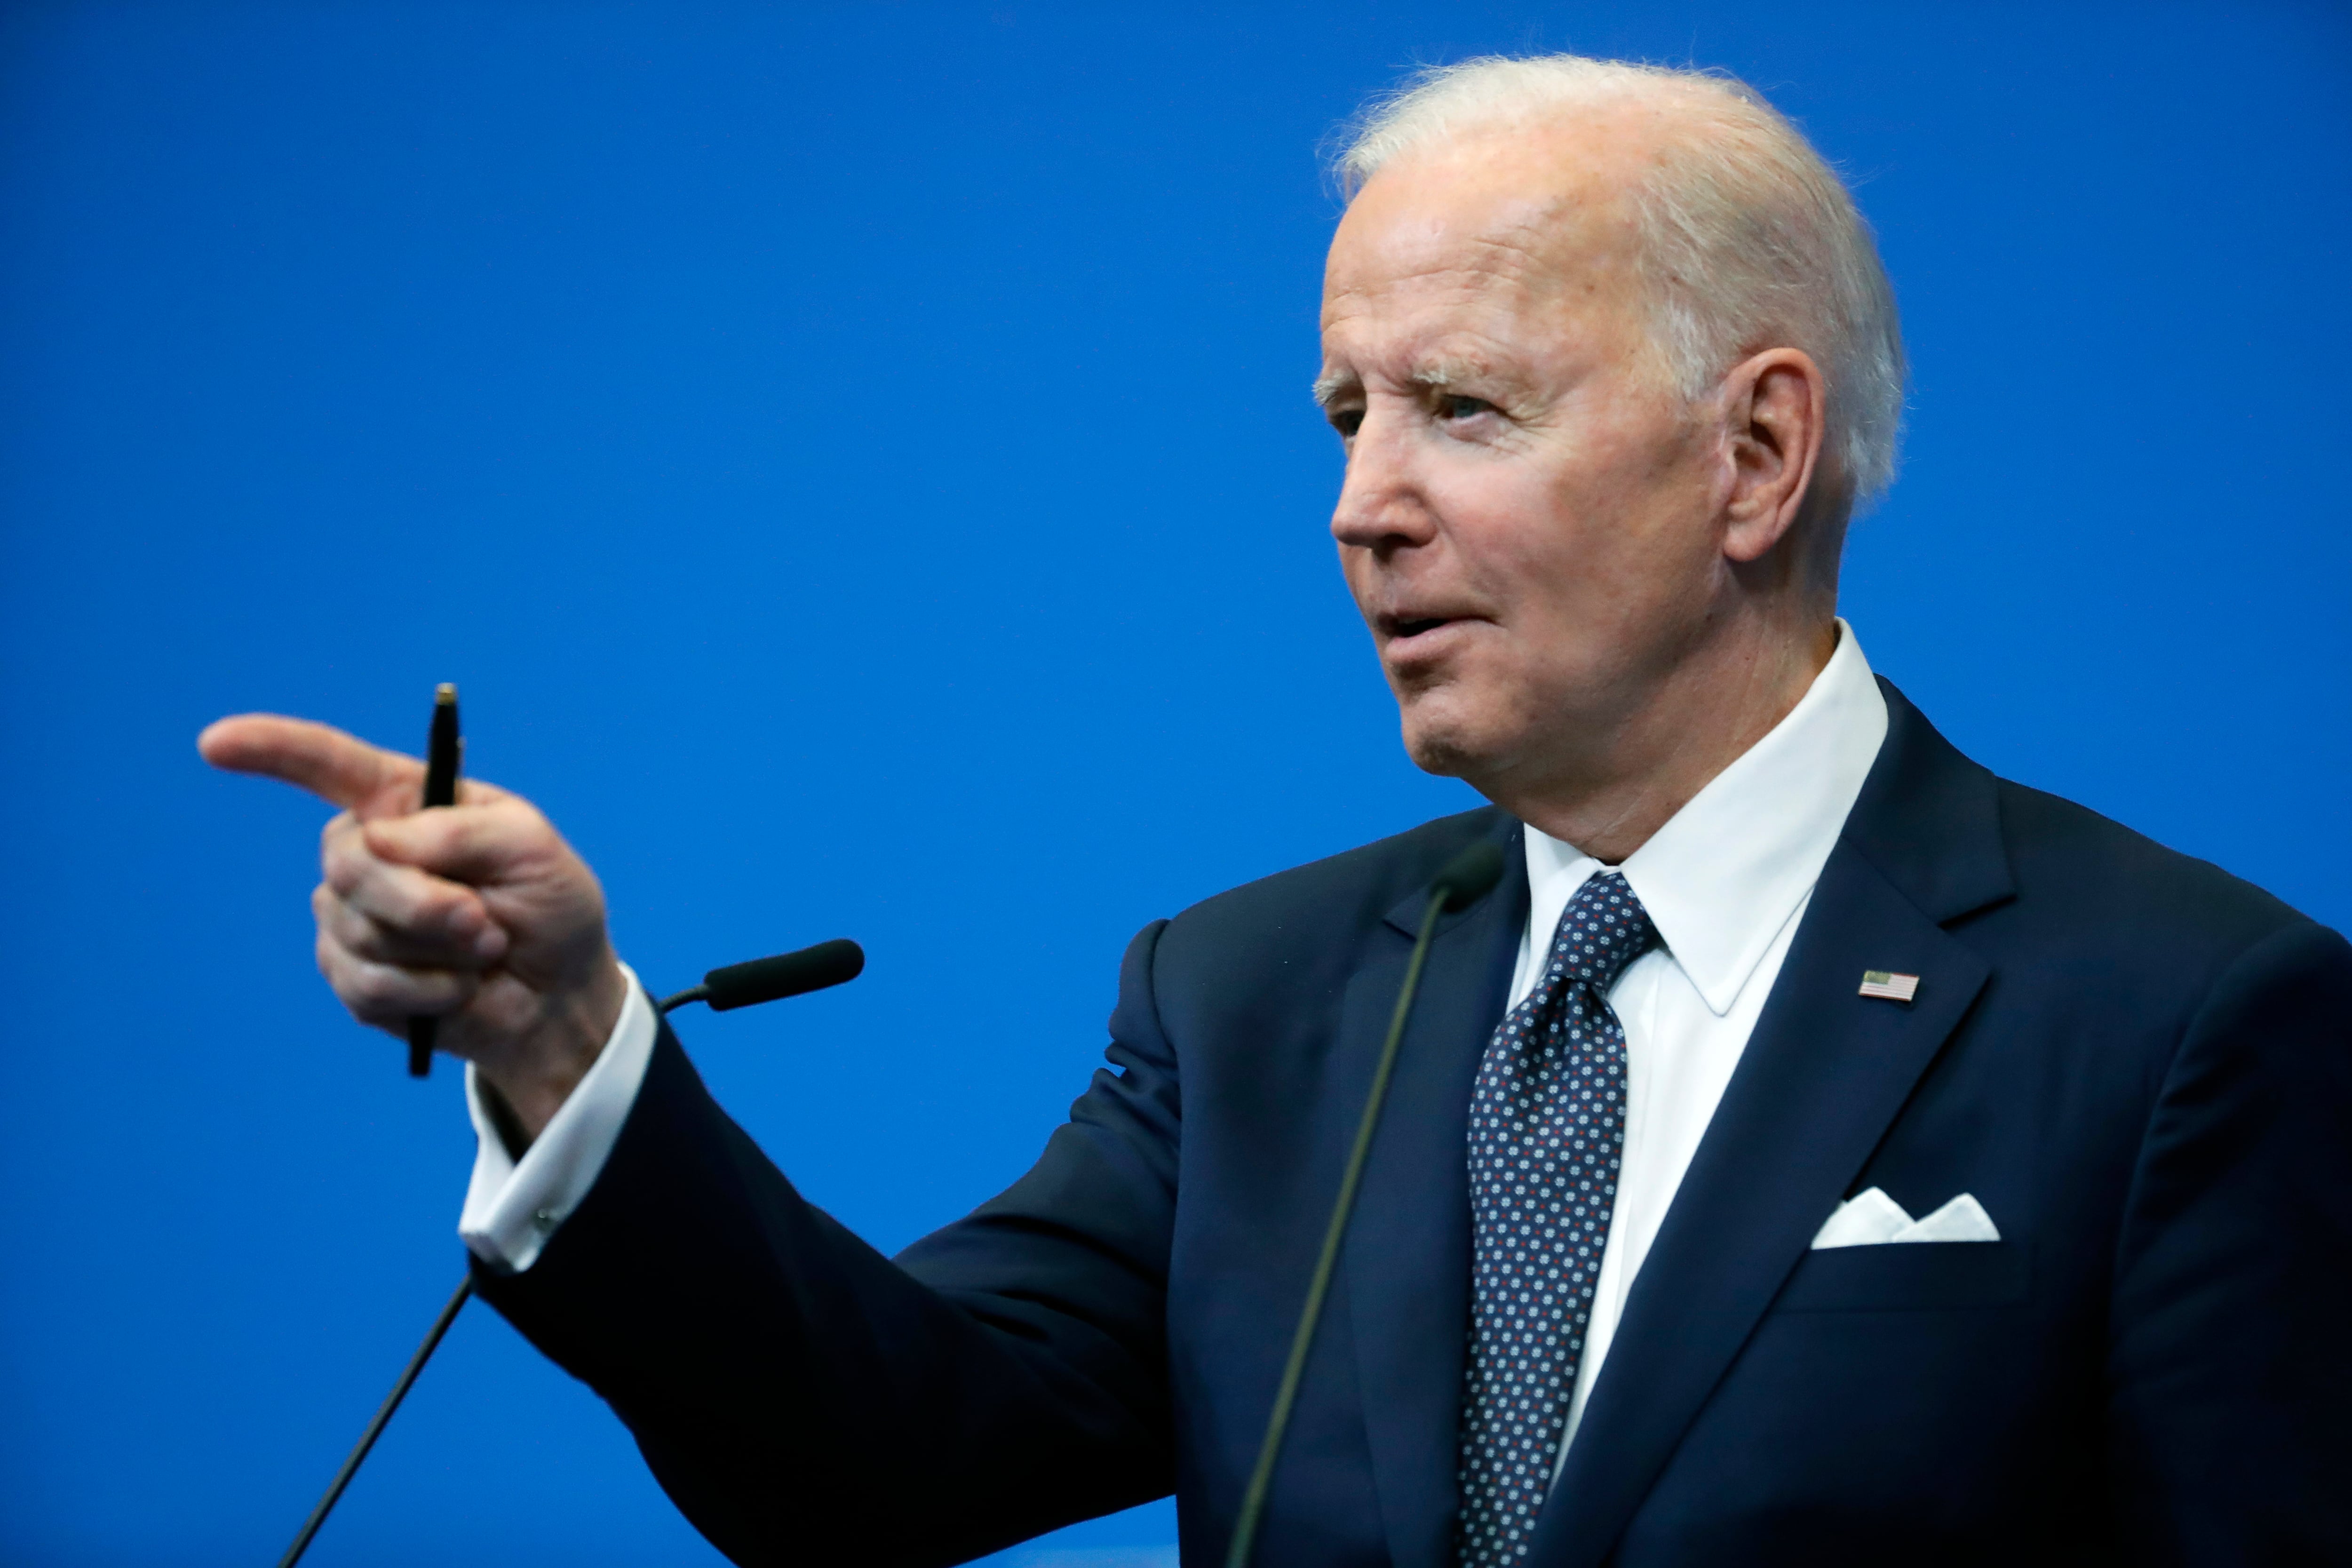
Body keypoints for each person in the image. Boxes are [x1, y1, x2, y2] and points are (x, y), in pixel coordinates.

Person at [201, 54, 2351, 1568]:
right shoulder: (1248, 1003)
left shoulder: (2181, 1021)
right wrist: (561, 1048)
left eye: (1459, 409)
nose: (1358, 508)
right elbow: (869, 1457)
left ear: (1752, 456)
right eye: (1342, 416)